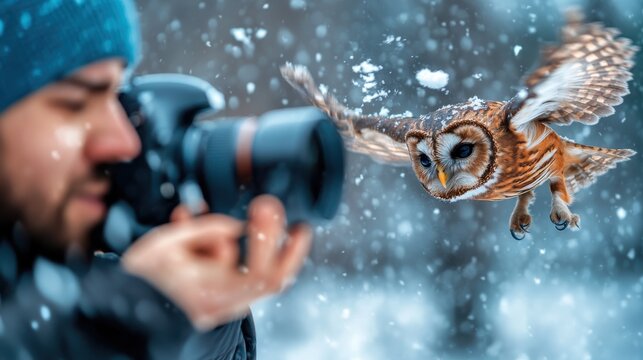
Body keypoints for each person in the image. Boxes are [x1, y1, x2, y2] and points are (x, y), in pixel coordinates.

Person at [0, 1, 311, 359]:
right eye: (74, 103)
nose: (125, 143)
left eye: (117, 100)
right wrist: (127, 317)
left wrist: (193, 321)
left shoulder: (63, 284)